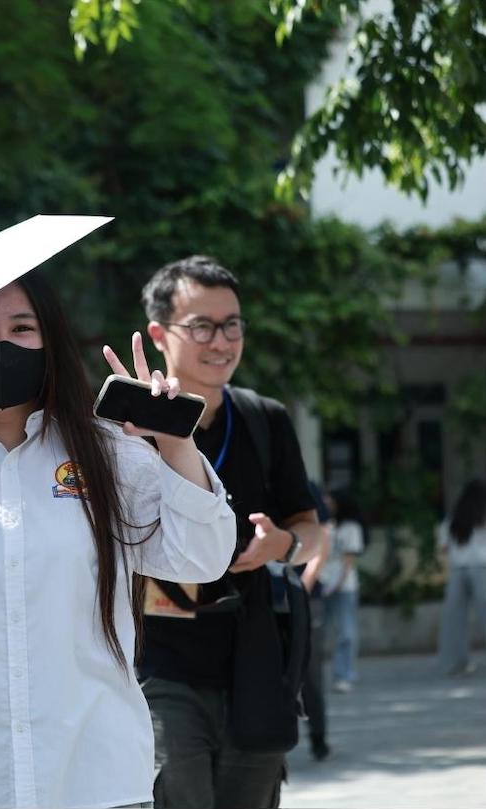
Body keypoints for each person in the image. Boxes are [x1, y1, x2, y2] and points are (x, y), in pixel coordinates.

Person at [0, 273, 237, 808]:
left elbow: (203, 557)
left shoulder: (108, 452)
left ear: (49, 339)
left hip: (96, 778)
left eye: (22, 327)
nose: (1, 344)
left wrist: (175, 443)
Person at [137, 255, 323, 809]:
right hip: (157, 659)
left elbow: (311, 532)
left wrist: (282, 546)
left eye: (232, 324)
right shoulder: (128, 427)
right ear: (159, 334)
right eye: (201, 326)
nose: (221, 341)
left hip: (256, 659)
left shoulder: (265, 419)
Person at [436, 478, 486, 676]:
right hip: (482, 568)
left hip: (458, 570)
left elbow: (444, 547)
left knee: (454, 619)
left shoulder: (453, 519)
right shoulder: (482, 517)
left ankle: (456, 662)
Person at [299, 480, 333, 760]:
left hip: (304, 597)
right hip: (258, 598)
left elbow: (323, 537)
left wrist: (304, 584)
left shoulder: (303, 485)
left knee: (310, 674)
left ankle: (318, 736)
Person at [321, 489, 365, 692]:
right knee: (320, 632)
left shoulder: (351, 528)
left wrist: (335, 585)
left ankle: (344, 674)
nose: (327, 503)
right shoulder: (325, 526)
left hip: (343, 587)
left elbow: (348, 562)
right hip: (322, 584)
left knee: (346, 632)